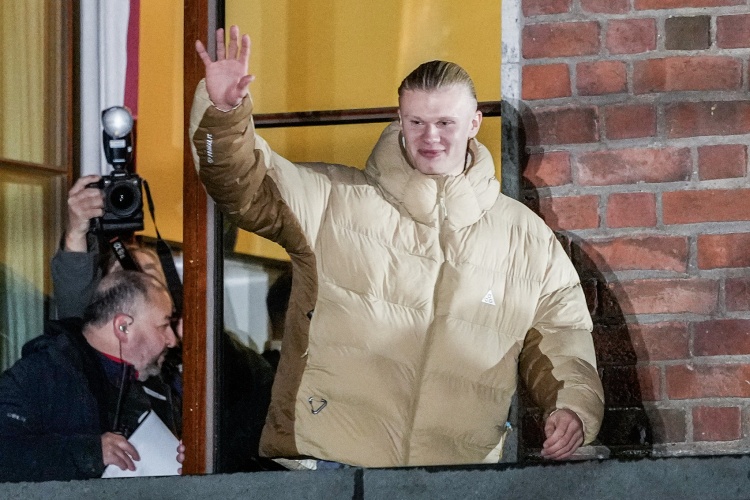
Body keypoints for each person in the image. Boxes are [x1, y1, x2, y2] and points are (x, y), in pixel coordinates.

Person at [189, 26, 604, 467]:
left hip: (454, 480)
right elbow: (245, 188)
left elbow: (563, 336)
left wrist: (573, 410)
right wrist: (224, 113)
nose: (431, 137)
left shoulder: (525, 237)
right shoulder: (333, 199)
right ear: (399, 119)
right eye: (416, 122)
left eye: (445, 123)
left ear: (474, 123)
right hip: (328, 467)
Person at [50, 175, 279, 473]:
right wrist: (76, 233)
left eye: (151, 273)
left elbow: (258, 392)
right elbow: (77, 316)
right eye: (129, 276)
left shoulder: (192, 343)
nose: (143, 283)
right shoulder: (98, 357)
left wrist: (204, 342)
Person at [0, 271, 183, 482]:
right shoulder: (41, 375)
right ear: (123, 327)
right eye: (164, 326)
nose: (172, 340)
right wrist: (89, 453)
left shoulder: (159, 384)